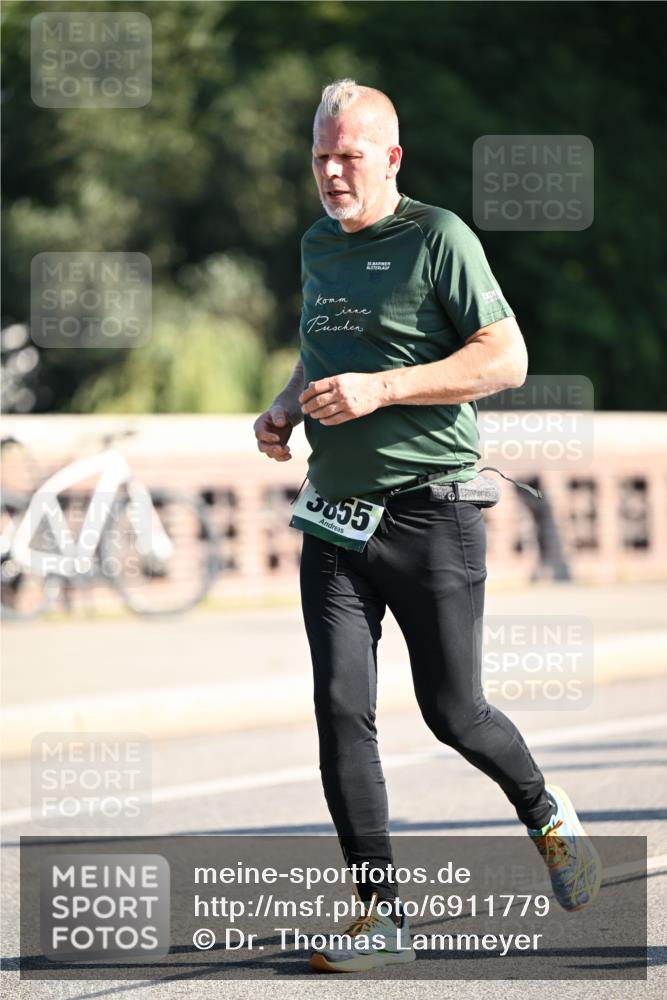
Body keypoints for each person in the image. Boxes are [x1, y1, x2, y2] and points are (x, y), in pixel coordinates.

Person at [253, 78, 600, 974]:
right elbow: (326, 343)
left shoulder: (438, 237)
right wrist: (288, 404)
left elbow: (505, 358)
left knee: (454, 712)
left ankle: (541, 808)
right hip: (333, 520)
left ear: (391, 159)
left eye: (349, 156)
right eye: (321, 156)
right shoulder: (317, 245)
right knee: (339, 708)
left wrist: (383, 389)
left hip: (430, 511)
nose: (332, 172)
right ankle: (382, 918)